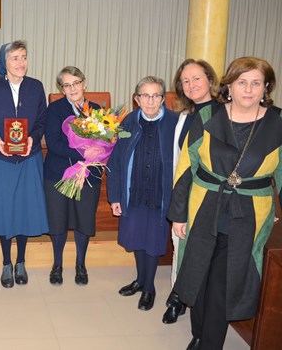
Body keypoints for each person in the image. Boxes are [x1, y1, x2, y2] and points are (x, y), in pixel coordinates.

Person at [168, 57, 281, 350]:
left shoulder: (277, 123)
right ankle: (200, 331)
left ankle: (209, 343)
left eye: (257, 83)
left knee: (223, 280)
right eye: (242, 82)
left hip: (249, 213)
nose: (249, 89)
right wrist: (178, 214)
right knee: (200, 274)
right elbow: (185, 167)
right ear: (229, 85)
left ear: (266, 87)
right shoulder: (208, 117)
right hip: (205, 204)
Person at [0, 40, 49, 288]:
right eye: (15, 58)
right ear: (4, 63)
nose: (21, 63)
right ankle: (6, 263)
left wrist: (33, 138)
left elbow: (42, 120)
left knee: (23, 210)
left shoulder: (36, 87)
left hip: (29, 159)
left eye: (24, 57)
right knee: (4, 211)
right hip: (1, 160)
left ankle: (21, 261)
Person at [106, 76, 177, 311]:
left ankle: (149, 287)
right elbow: (115, 162)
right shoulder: (127, 122)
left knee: (154, 242)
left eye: (156, 95)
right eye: (145, 95)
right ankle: (139, 280)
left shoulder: (174, 123)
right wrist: (115, 196)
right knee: (137, 239)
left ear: (163, 98)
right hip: (134, 193)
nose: (150, 100)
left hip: (160, 195)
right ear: (136, 99)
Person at [162, 59, 218, 325]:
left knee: (202, 250)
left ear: (210, 79)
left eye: (196, 78)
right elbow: (177, 160)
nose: (191, 85)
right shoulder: (185, 117)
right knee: (180, 245)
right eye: (185, 81)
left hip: (212, 195)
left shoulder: (224, 113)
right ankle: (178, 296)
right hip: (185, 192)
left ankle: (193, 301)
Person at [44, 66, 102, 286]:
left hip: (88, 176)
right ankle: (57, 265)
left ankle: (81, 265)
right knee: (57, 221)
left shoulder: (97, 111)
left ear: (84, 84)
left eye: (76, 83)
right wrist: (82, 152)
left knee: (84, 220)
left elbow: (106, 142)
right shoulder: (54, 109)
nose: (72, 88)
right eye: (66, 85)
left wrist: (95, 153)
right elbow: (53, 142)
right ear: (62, 88)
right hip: (58, 173)